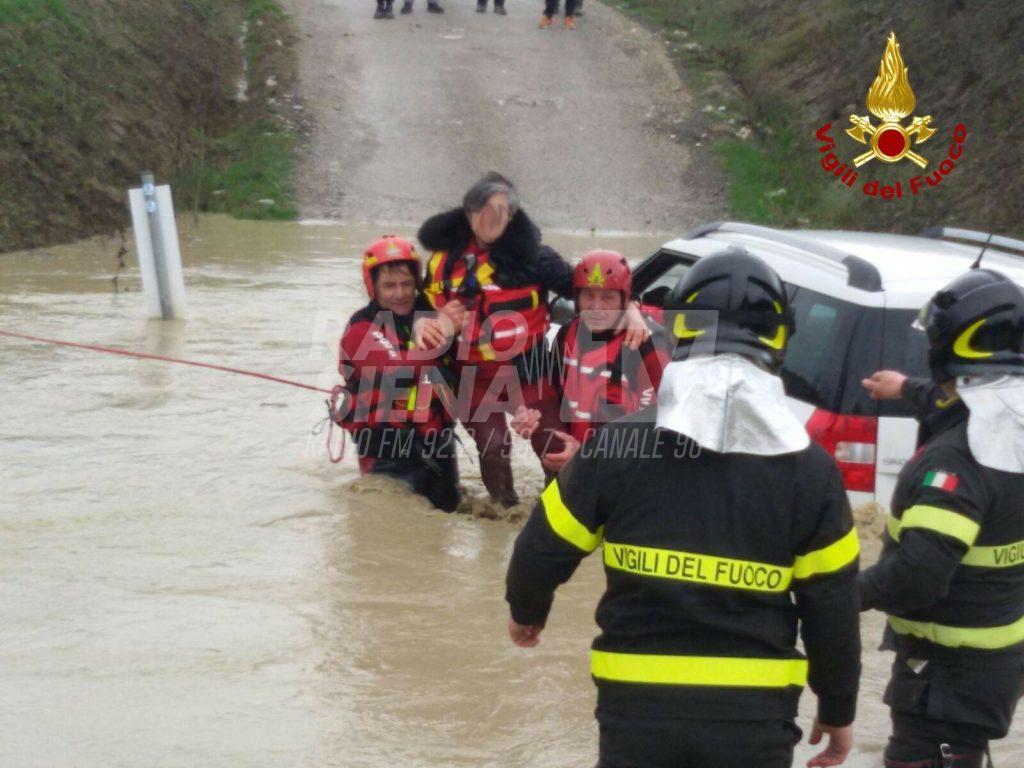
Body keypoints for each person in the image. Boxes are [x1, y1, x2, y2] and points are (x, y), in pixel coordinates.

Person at [505, 248, 861, 768]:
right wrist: (837, 706)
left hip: (637, 711)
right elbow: (832, 605)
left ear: (680, 330)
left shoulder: (617, 446)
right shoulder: (812, 473)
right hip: (755, 721)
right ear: (781, 338)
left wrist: (526, 611)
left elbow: (543, 545)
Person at [859, 268, 1024, 768]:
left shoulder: (956, 461)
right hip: (985, 667)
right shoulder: (1008, 424)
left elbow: (917, 576)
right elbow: (955, 401)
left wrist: (834, 594)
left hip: (946, 679)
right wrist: (907, 389)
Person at [417, 172, 650, 507]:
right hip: (472, 375)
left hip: (529, 370)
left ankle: (559, 508)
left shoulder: (537, 258)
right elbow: (416, 310)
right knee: (493, 446)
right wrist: (431, 322)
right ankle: (504, 513)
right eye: (484, 209)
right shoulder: (441, 262)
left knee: (555, 446)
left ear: (512, 218)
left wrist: (632, 306)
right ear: (468, 212)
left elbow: (588, 286)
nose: (492, 218)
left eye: (502, 211)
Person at [336, 236, 464, 512]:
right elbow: (396, 372)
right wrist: (442, 333)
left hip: (438, 445)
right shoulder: (360, 328)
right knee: (388, 536)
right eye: (389, 285)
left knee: (443, 531)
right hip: (385, 452)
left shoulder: (434, 314)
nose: (400, 293)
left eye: (406, 284)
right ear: (373, 287)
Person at [511, 249, 667, 474]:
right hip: (576, 467)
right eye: (588, 296)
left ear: (624, 299)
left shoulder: (647, 344)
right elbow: (552, 396)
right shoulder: (568, 334)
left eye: (607, 298)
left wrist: (586, 455)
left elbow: (654, 432)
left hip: (625, 475)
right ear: (576, 298)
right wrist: (534, 416)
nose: (596, 307)